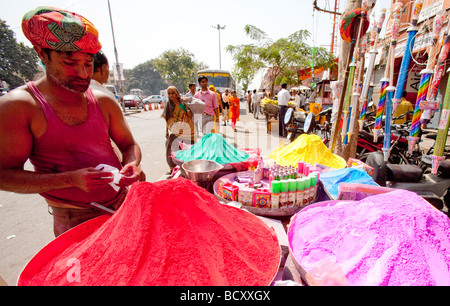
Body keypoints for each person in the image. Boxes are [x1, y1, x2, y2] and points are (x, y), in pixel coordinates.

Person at [0, 7, 143, 237]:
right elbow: (4, 176)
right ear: (42, 54)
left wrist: (132, 164)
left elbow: (129, 146)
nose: (83, 74)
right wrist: (69, 180)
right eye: (70, 62)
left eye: (88, 63)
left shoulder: (104, 100)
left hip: (124, 206)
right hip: (74, 221)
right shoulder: (20, 106)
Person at [162, 86, 195, 171]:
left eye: (173, 93)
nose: (171, 95)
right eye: (169, 93)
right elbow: (167, 118)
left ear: (176, 93)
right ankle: (173, 168)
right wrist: (166, 131)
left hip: (187, 129)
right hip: (176, 130)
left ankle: (188, 167)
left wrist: (187, 106)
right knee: (171, 147)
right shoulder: (168, 105)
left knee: (187, 148)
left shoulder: (183, 103)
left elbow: (190, 116)